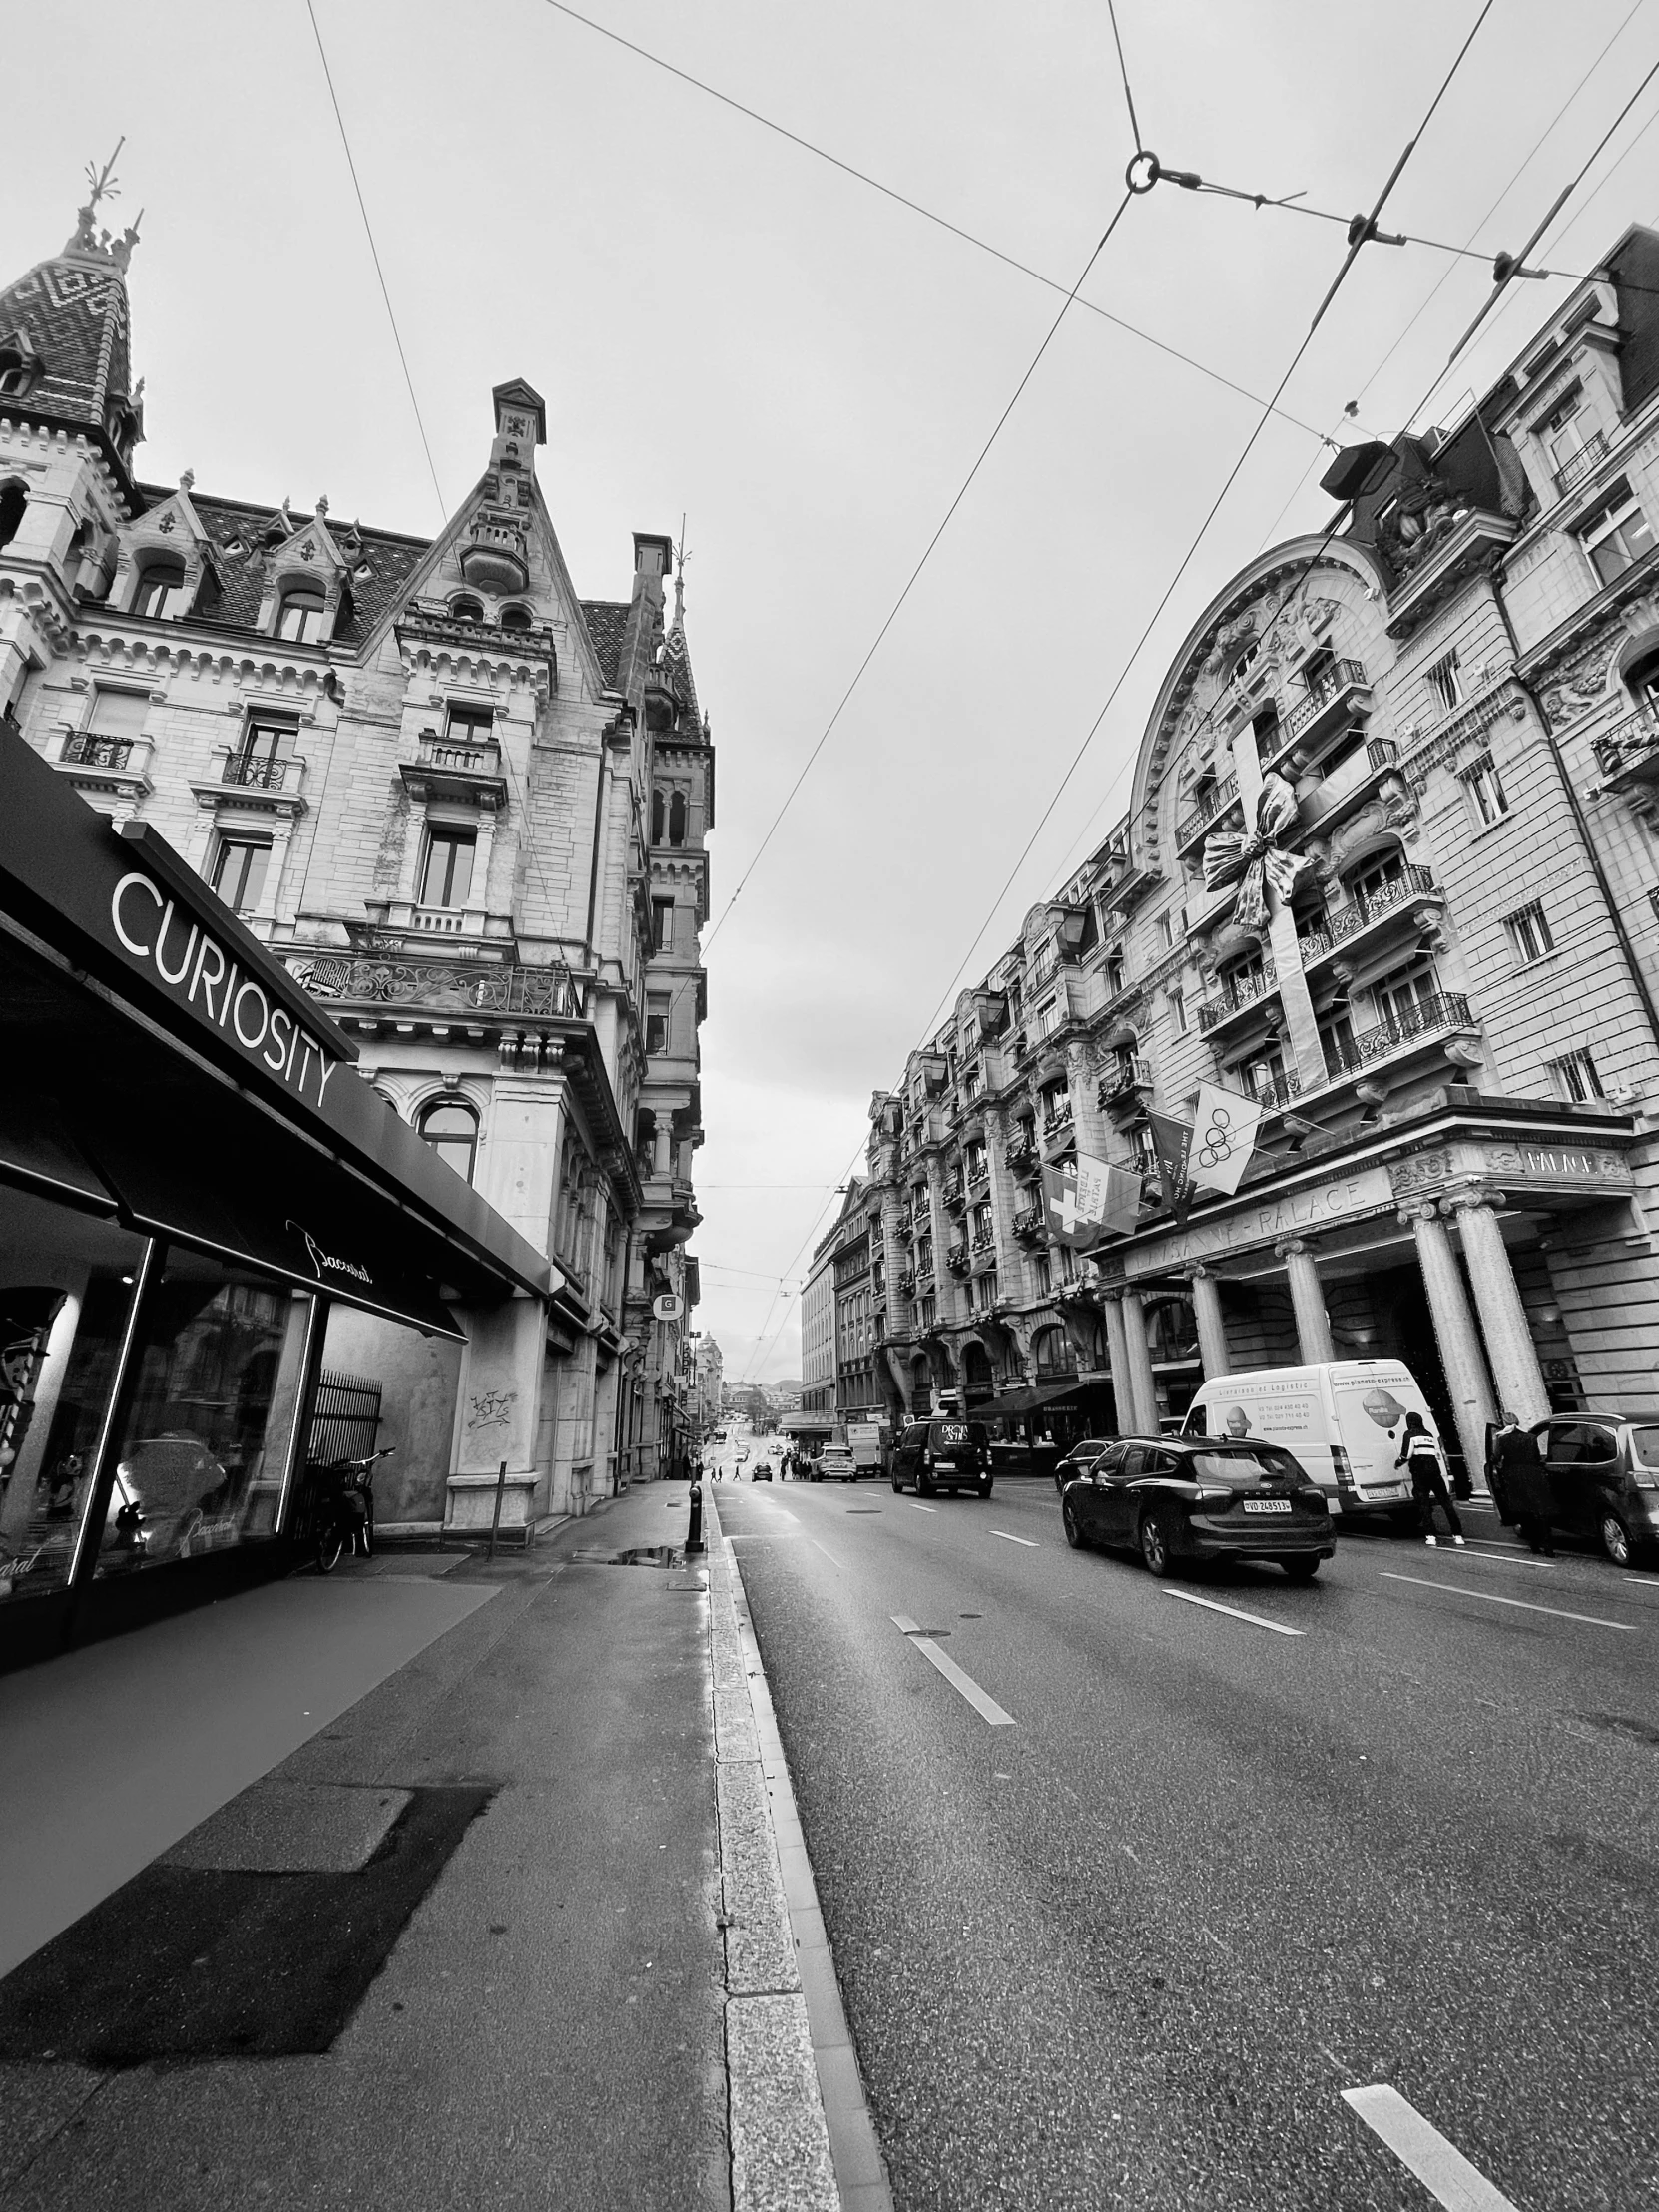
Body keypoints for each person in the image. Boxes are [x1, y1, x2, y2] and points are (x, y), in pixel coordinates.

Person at [1396, 1411, 1464, 1546]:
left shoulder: (1410, 1434)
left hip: (1420, 1473)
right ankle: (1458, 1535)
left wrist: (1398, 1463)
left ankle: (1431, 1535)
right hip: (1435, 1472)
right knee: (1446, 1503)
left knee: (1424, 1504)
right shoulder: (1428, 1435)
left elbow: (1407, 1454)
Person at [1492, 1410, 1553, 1555]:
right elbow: (1537, 1457)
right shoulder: (1530, 1438)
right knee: (1540, 1511)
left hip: (1515, 1477)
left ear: (1504, 1423)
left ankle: (1535, 1545)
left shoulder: (1503, 1439)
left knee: (1525, 1513)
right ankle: (1549, 1547)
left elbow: (1495, 1458)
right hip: (1534, 1474)